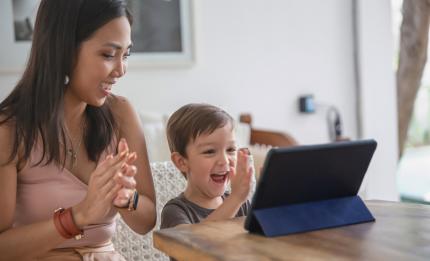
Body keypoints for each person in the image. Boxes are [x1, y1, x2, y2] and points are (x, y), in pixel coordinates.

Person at [0, 0, 156, 260]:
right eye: (108, 54)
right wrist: (78, 216)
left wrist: (126, 197)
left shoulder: (121, 114)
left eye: (126, 54)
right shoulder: (10, 129)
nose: (121, 70)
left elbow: (146, 221)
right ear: (64, 49)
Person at [161, 103, 253, 231]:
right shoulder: (175, 212)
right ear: (181, 162)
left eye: (231, 149)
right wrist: (236, 199)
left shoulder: (242, 204)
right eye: (209, 151)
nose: (224, 161)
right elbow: (193, 243)